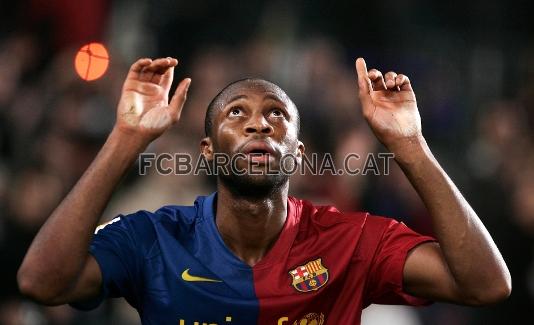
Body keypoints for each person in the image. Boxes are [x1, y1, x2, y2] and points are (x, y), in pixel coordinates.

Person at [17, 57, 511, 324]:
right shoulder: (154, 237)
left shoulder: (351, 240)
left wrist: (411, 144)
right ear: (207, 151)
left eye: (277, 115)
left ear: (297, 154)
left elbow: (485, 286)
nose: (259, 124)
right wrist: (126, 139)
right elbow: (42, 282)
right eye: (237, 113)